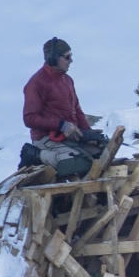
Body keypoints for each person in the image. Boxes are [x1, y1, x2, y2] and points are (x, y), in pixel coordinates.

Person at [21, 36, 107, 177]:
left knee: (103, 151)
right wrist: (61, 125)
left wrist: (87, 134)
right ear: (53, 58)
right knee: (81, 164)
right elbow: (29, 119)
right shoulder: (36, 83)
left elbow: (77, 111)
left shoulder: (67, 80)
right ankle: (36, 155)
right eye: (67, 57)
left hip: (67, 137)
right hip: (46, 139)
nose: (71, 61)